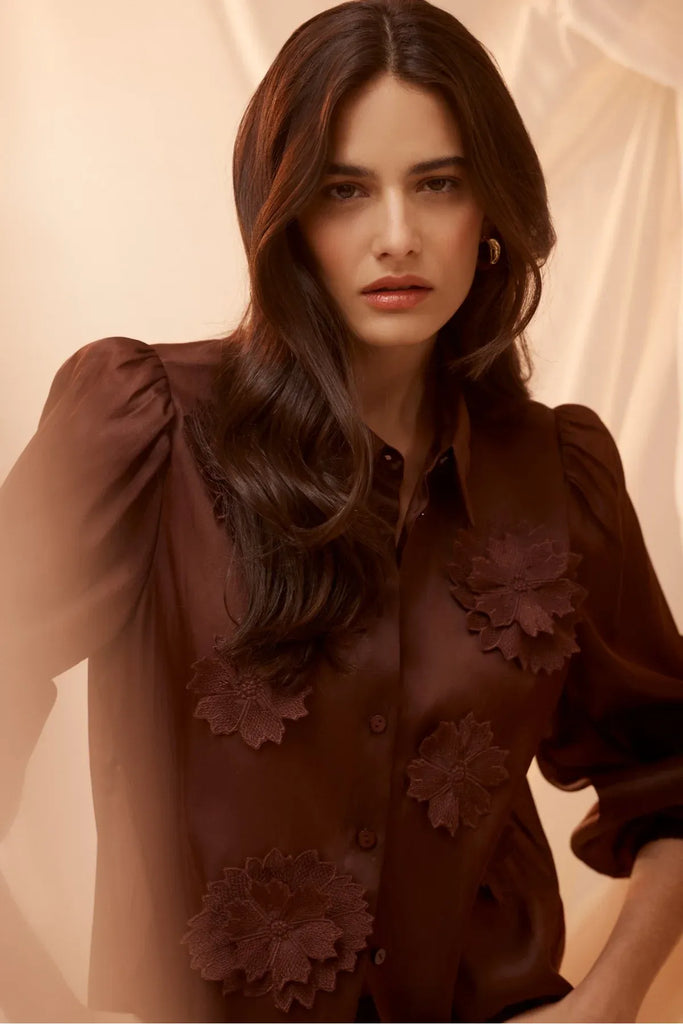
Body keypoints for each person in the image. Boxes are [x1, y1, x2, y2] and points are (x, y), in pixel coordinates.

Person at [1, 0, 682, 1021]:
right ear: (282, 211)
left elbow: (667, 769)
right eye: (344, 188)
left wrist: (612, 994)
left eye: (438, 184)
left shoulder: (558, 473)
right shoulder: (144, 431)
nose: (396, 235)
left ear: (489, 208)